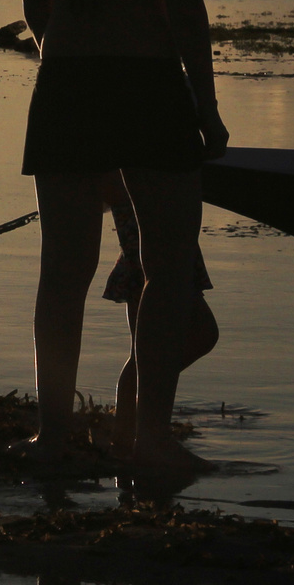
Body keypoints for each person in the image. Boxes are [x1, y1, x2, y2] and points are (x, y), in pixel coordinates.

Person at [18, 0, 229, 471]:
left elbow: (35, 10)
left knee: (63, 271)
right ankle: (152, 438)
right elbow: (186, 10)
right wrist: (207, 107)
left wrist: (77, 51)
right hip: (146, 85)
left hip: (67, 85)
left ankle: (52, 434)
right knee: (166, 268)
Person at [102, 171, 218, 457]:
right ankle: (132, 430)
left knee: (148, 349)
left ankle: (129, 429)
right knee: (193, 335)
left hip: (157, 226)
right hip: (151, 238)